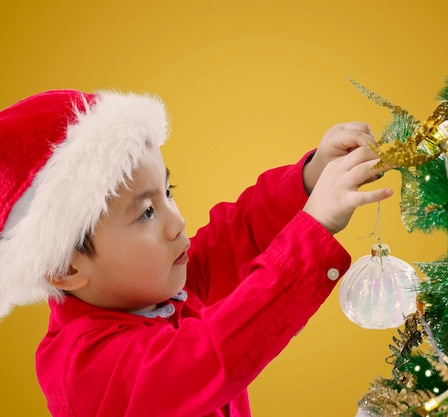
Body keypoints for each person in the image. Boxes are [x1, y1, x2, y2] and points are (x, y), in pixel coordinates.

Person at [0, 89, 392, 417]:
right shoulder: (87, 368)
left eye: (168, 194)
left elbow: (237, 238)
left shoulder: (157, 291)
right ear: (65, 267)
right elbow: (211, 355)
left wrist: (312, 177)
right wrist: (314, 225)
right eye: (147, 213)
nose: (177, 223)